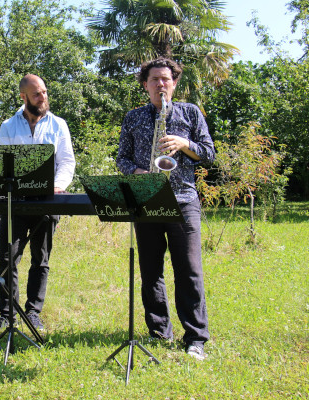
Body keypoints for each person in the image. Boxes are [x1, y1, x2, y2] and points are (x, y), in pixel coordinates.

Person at [116, 58, 215, 360]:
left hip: (183, 199)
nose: (161, 84)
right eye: (155, 80)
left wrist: (184, 143)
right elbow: (121, 158)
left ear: (174, 83)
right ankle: (159, 330)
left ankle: (195, 337)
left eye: (166, 79)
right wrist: (137, 173)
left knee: (189, 270)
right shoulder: (133, 117)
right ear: (145, 84)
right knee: (150, 270)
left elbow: (209, 154)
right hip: (147, 199)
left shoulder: (190, 113)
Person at [0, 74, 76, 332]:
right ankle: (7, 313)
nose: (43, 97)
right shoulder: (8, 126)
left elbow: (67, 162)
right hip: (16, 202)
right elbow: (6, 166)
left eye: (45, 92)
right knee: (7, 257)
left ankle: (33, 312)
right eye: (37, 94)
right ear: (23, 97)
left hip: (49, 200)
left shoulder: (59, 124)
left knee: (41, 258)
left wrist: (58, 186)